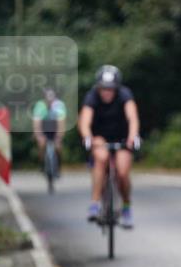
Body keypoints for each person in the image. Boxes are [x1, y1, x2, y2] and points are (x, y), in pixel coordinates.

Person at [77, 65, 140, 228]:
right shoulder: (92, 96)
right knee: (101, 158)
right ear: (98, 88)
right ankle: (95, 203)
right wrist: (88, 137)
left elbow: (132, 118)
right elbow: (85, 121)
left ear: (117, 88)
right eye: (103, 89)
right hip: (100, 139)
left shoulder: (125, 95)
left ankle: (126, 208)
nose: (107, 92)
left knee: (122, 172)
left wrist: (132, 138)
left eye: (111, 89)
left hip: (122, 139)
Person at [32, 87, 66, 173]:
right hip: (44, 127)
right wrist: (39, 135)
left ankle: (58, 165)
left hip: (55, 127)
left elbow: (61, 122)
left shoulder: (59, 105)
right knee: (41, 144)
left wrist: (59, 136)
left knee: (58, 146)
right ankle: (42, 163)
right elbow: (36, 123)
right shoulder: (40, 105)